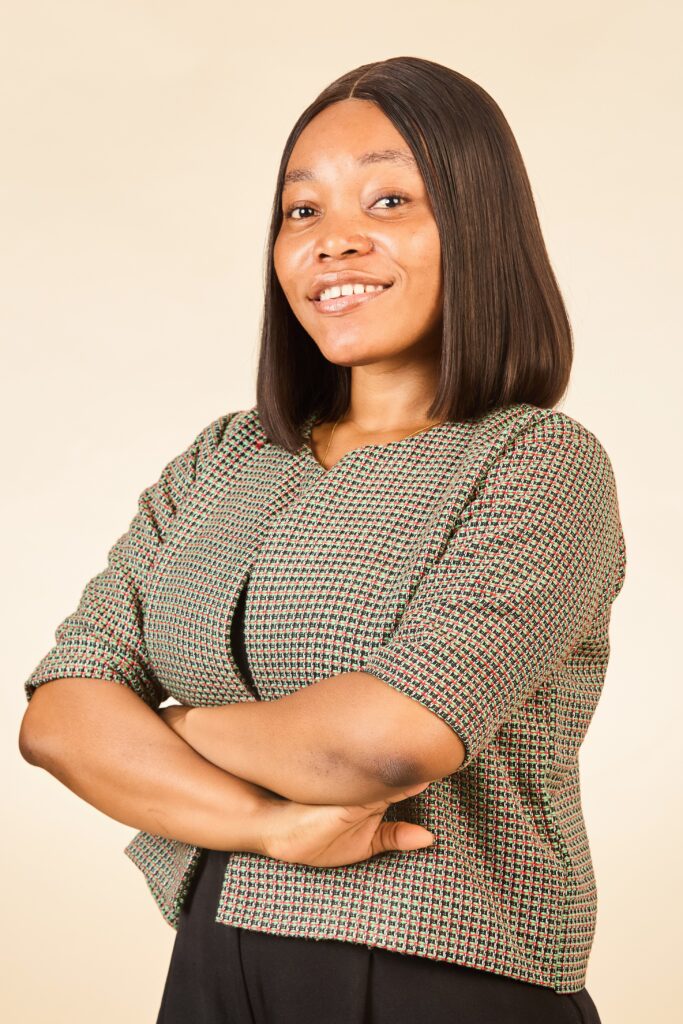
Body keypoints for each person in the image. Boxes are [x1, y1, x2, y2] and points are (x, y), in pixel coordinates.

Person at [19, 56, 625, 1023]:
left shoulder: (535, 462)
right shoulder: (226, 458)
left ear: (476, 227)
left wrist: (174, 726)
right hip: (215, 962)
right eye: (302, 211)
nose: (332, 241)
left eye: (387, 200)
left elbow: (386, 744)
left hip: (442, 973)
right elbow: (58, 717)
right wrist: (265, 824)